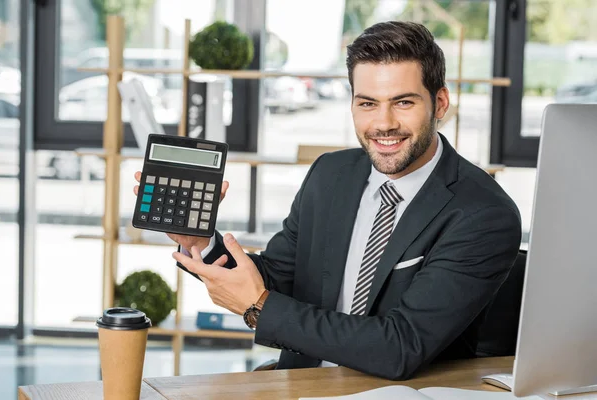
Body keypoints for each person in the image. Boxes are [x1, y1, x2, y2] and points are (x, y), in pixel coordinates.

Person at [134, 21, 521, 380]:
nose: (383, 123)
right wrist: (201, 242)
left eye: (403, 102)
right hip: (304, 379)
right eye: (367, 103)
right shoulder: (330, 174)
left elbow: (401, 346)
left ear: (439, 103)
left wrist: (260, 307)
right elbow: (277, 278)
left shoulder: (483, 213)